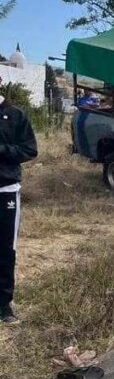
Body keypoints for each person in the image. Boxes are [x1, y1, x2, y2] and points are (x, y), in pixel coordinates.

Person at [0, 78, 39, 323]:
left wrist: (2, 150)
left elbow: (29, 150)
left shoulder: (15, 115)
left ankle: (3, 305)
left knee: (5, 248)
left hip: (5, 190)